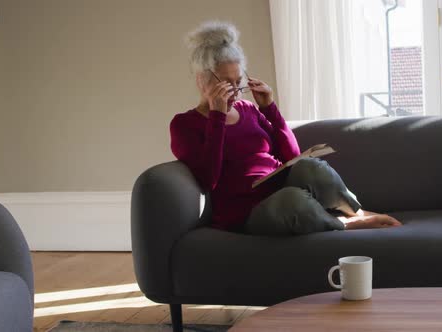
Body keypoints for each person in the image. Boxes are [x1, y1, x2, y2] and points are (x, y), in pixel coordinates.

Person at [170, 21, 402, 235]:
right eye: (225, 83)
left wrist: (269, 108)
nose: (234, 90)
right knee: (292, 201)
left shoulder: (248, 109)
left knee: (311, 167)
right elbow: (206, 179)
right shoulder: (184, 124)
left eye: (238, 81)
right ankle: (345, 224)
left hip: (279, 188)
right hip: (247, 212)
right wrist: (217, 116)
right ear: (202, 80)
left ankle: (356, 212)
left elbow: (292, 157)